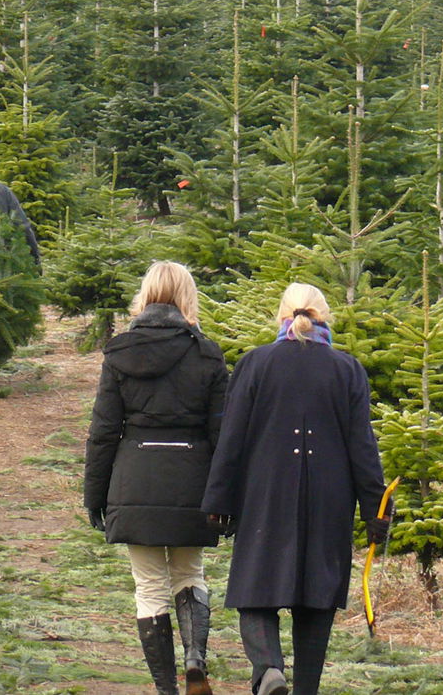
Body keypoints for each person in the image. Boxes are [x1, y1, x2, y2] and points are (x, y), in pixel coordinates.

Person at [202, 283, 390, 695]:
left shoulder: (255, 363)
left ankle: (269, 668)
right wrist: (377, 510)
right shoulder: (347, 369)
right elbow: (363, 447)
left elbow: (231, 438)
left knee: (255, 592)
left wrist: (219, 502)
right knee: (317, 600)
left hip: (266, 493)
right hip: (329, 498)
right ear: (326, 318)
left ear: (281, 316)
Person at [84, 262, 229, 695]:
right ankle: (195, 659)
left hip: (136, 479)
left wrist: (95, 496)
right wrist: (228, 495)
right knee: (190, 572)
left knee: (149, 587)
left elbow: (104, 431)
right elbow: (223, 433)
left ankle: (167, 688)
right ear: (189, 297)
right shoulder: (207, 354)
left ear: (144, 296)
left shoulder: (120, 353)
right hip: (193, 480)